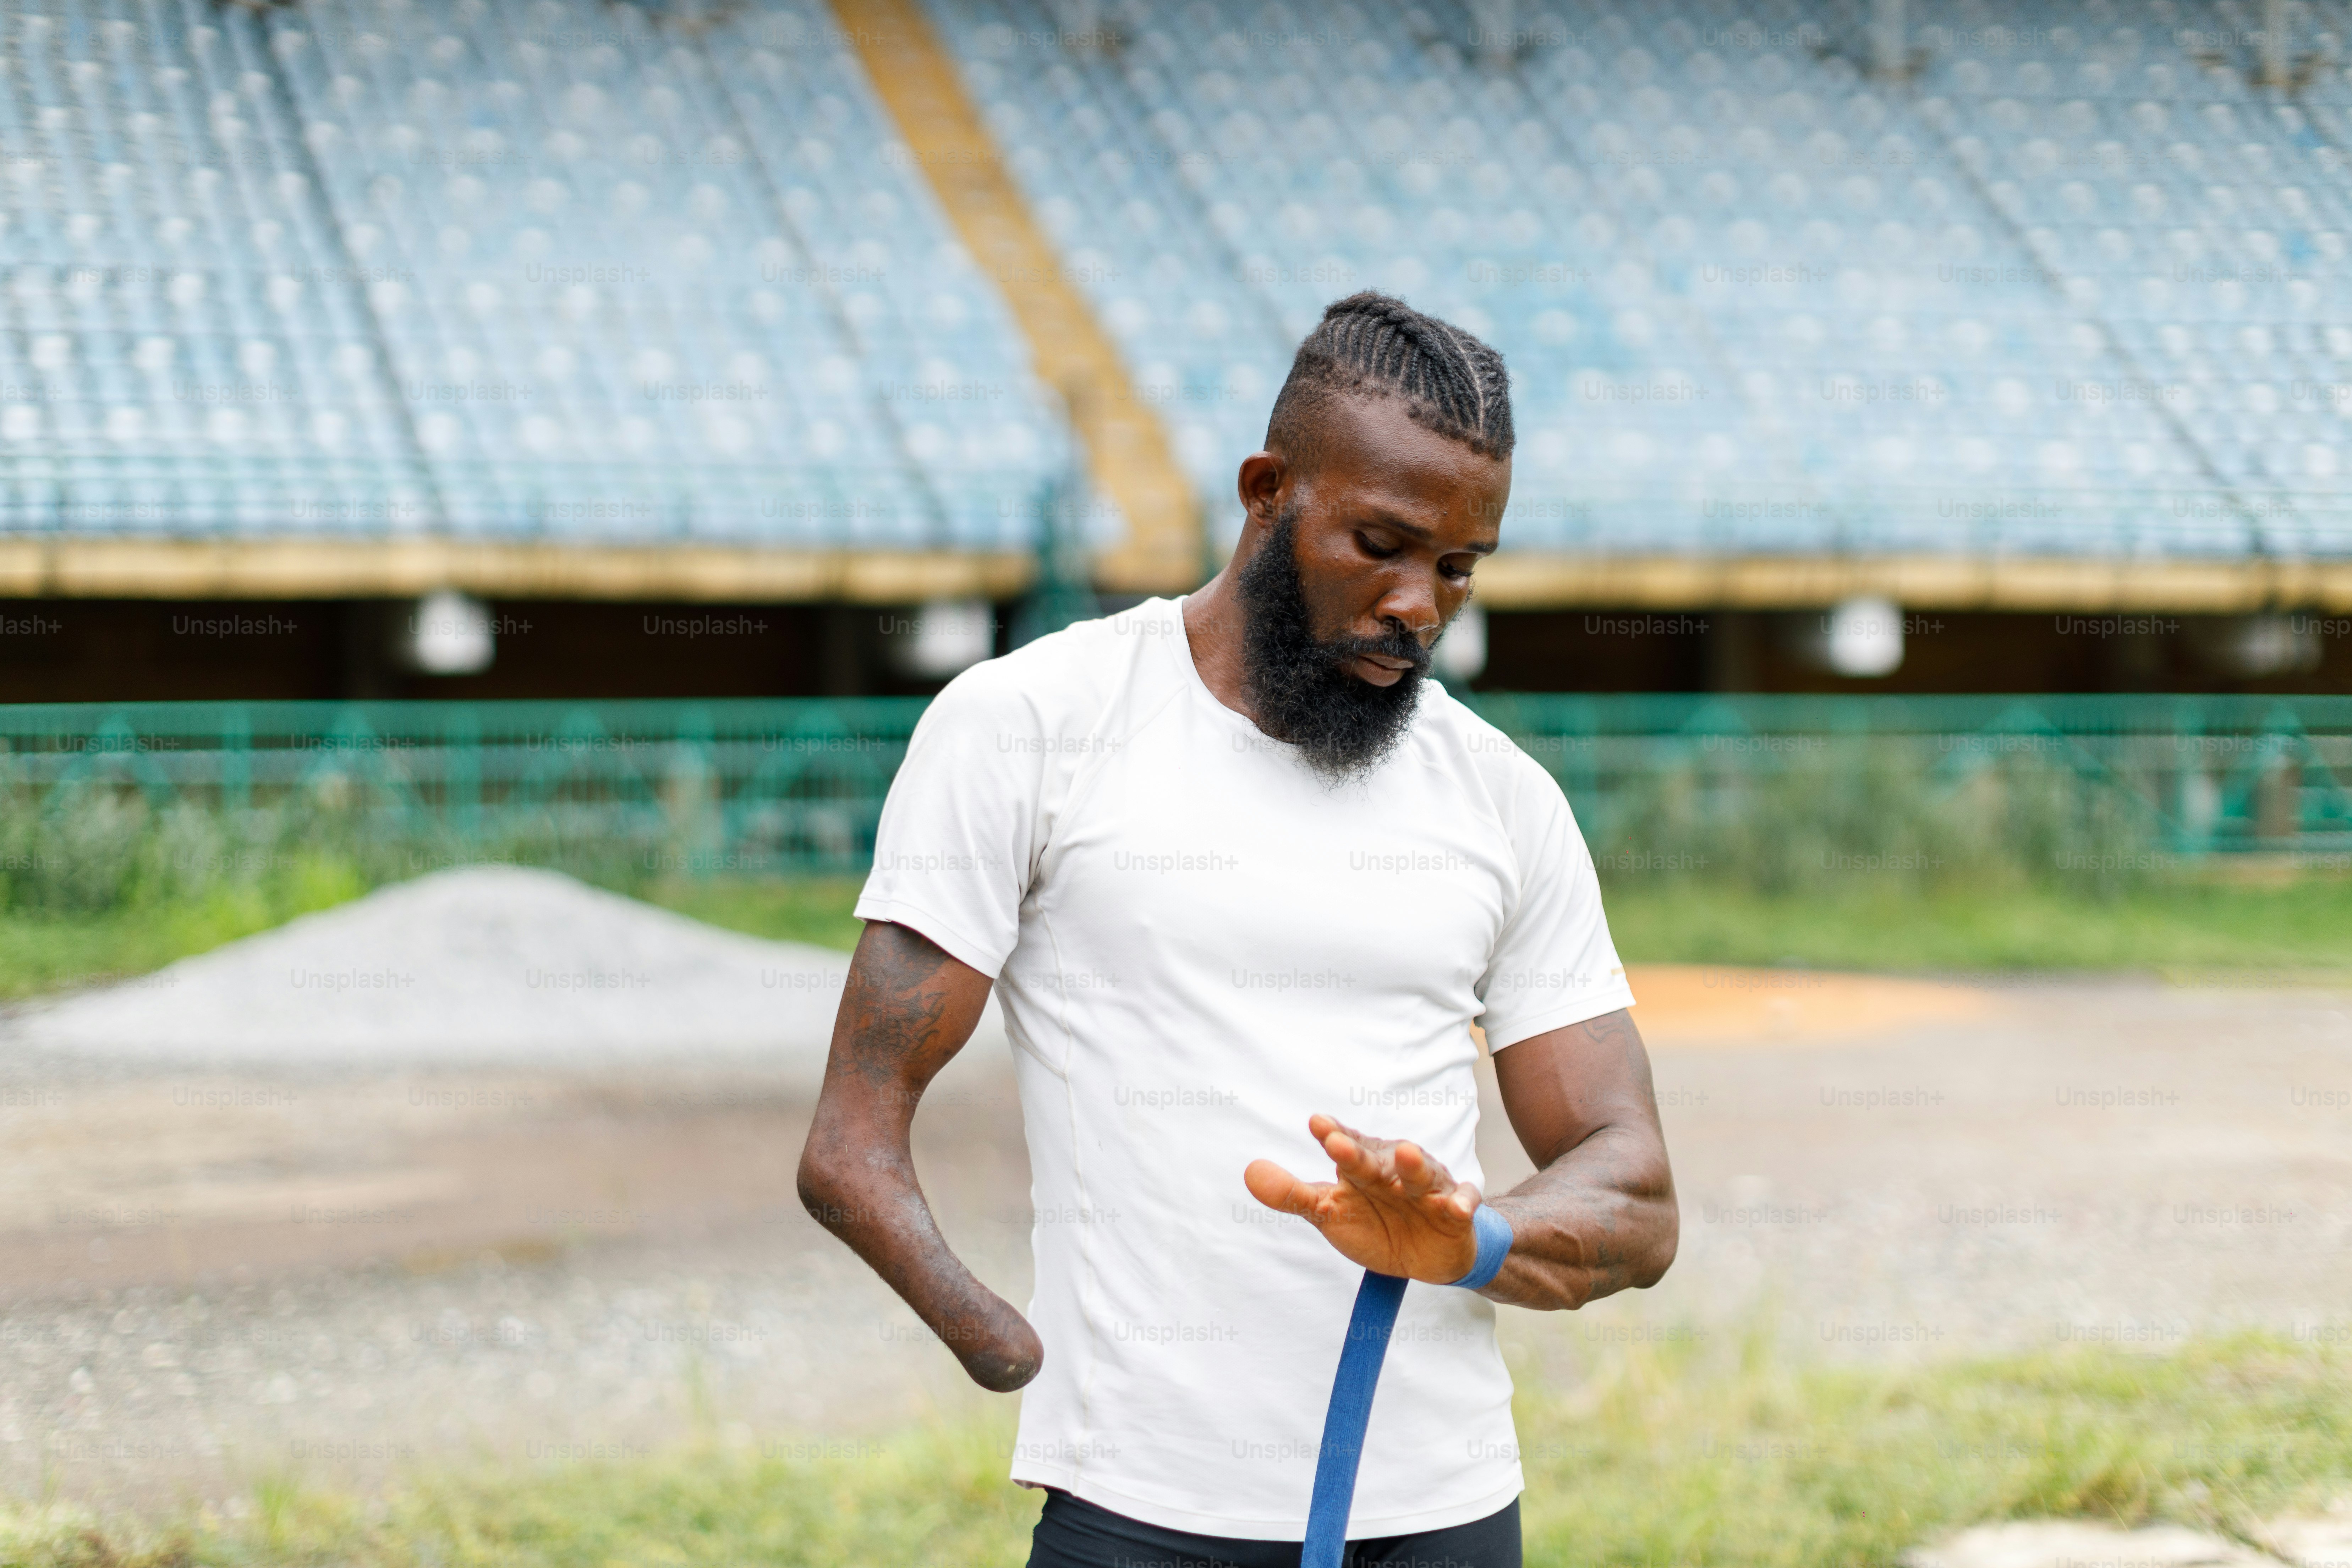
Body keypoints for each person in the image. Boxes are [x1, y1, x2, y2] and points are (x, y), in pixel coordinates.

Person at [797, 292, 1678, 1568]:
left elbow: (1636, 1190)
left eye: (1457, 568)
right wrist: (997, 1336)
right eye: (1382, 543)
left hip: (1444, 1509)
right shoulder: (1035, 724)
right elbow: (850, 1140)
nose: (1419, 605)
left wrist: (1473, 1235)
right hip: (1145, 1514)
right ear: (1269, 490)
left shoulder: (1501, 798)